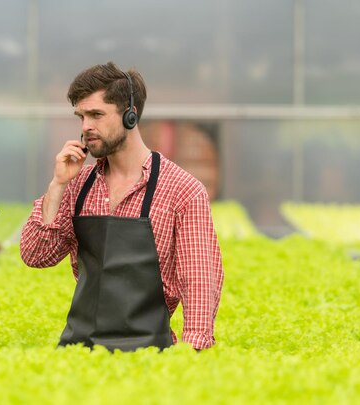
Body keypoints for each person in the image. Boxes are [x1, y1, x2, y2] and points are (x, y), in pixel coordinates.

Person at [20, 62, 224, 351]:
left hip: (149, 353)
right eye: (81, 116)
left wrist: (190, 356)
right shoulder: (78, 184)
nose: (86, 127)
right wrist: (57, 185)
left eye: (96, 115)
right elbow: (36, 255)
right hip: (79, 351)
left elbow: (200, 282)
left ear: (130, 115)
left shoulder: (182, 190)